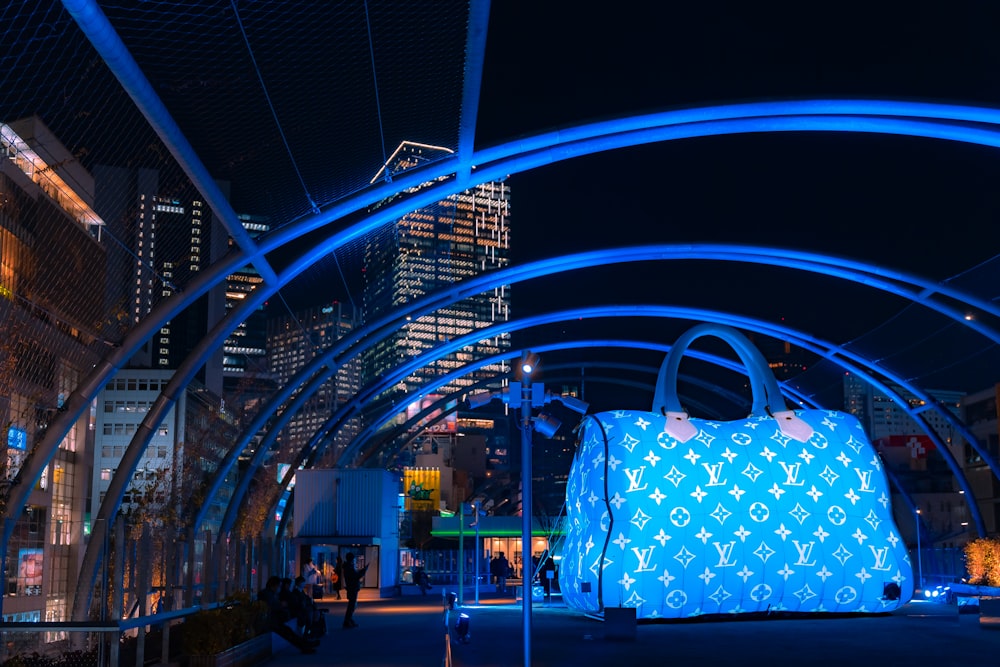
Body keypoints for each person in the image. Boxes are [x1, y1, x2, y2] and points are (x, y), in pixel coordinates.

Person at [257, 576, 318, 654]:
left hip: (273, 621)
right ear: (274, 586)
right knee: (288, 633)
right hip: (270, 622)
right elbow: (272, 606)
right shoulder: (267, 594)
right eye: (279, 586)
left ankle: (305, 645)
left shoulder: (269, 594)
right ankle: (304, 646)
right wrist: (281, 605)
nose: (280, 588)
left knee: (289, 632)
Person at [342, 552, 368, 629]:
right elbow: (355, 576)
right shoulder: (349, 567)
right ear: (352, 559)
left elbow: (354, 575)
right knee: (352, 605)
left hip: (352, 587)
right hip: (352, 588)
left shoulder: (348, 567)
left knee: (352, 605)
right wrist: (363, 571)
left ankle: (349, 620)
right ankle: (347, 620)